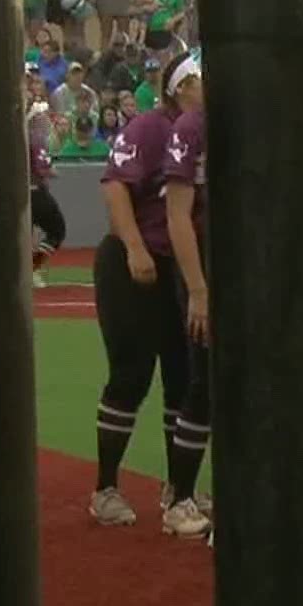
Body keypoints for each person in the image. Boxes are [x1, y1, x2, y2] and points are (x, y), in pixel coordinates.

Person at [89, 52, 210, 534]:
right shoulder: (151, 128)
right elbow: (116, 187)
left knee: (182, 376)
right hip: (135, 261)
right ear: (181, 89)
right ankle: (104, 488)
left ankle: (175, 490)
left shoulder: (202, 132)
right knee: (131, 373)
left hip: (178, 266)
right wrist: (135, 247)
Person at [159, 61, 216, 537]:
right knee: (206, 382)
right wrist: (197, 288)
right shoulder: (190, 127)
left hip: (243, 267)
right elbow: (177, 214)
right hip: (207, 265)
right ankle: (179, 496)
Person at [28, 107, 65, 289]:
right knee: (57, 231)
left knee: (25, 236)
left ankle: (24, 271)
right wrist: (53, 172)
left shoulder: (19, 139)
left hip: (19, 195)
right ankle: (31, 268)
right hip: (35, 192)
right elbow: (44, 168)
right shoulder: (36, 140)